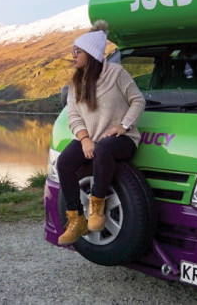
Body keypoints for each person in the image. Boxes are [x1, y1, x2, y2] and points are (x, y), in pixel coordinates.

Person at [57, 20, 145, 246]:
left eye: (77, 52)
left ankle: (97, 206)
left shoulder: (116, 73)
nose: (73, 56)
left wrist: (123, 126)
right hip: (93, 138)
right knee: (65, 162)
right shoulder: (77, 82)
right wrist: (84, 139)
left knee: (105, 148)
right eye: (73, 52)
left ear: (91, 53)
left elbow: (137, 100)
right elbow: (73, 115)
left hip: (122, 139)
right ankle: (76, 219)